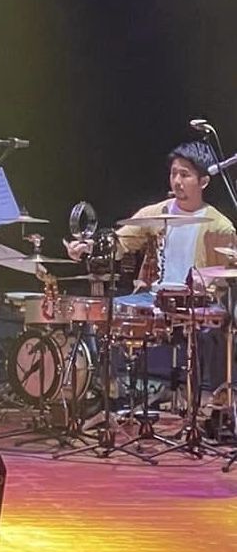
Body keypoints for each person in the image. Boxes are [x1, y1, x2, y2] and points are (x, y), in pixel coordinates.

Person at [67, 140, 237, 388]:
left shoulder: (219, 226)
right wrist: (88, 246)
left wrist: (210, 287)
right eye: (174, 173)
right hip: (153, 297)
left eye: (185, 175)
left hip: (195, 302)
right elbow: (120, 242)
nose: (177, 181)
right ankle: (112, 388)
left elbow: (227, 276)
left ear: (203, 181)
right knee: (106, 312)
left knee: (216, 331)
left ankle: (211, 397)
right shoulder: (156, 213)